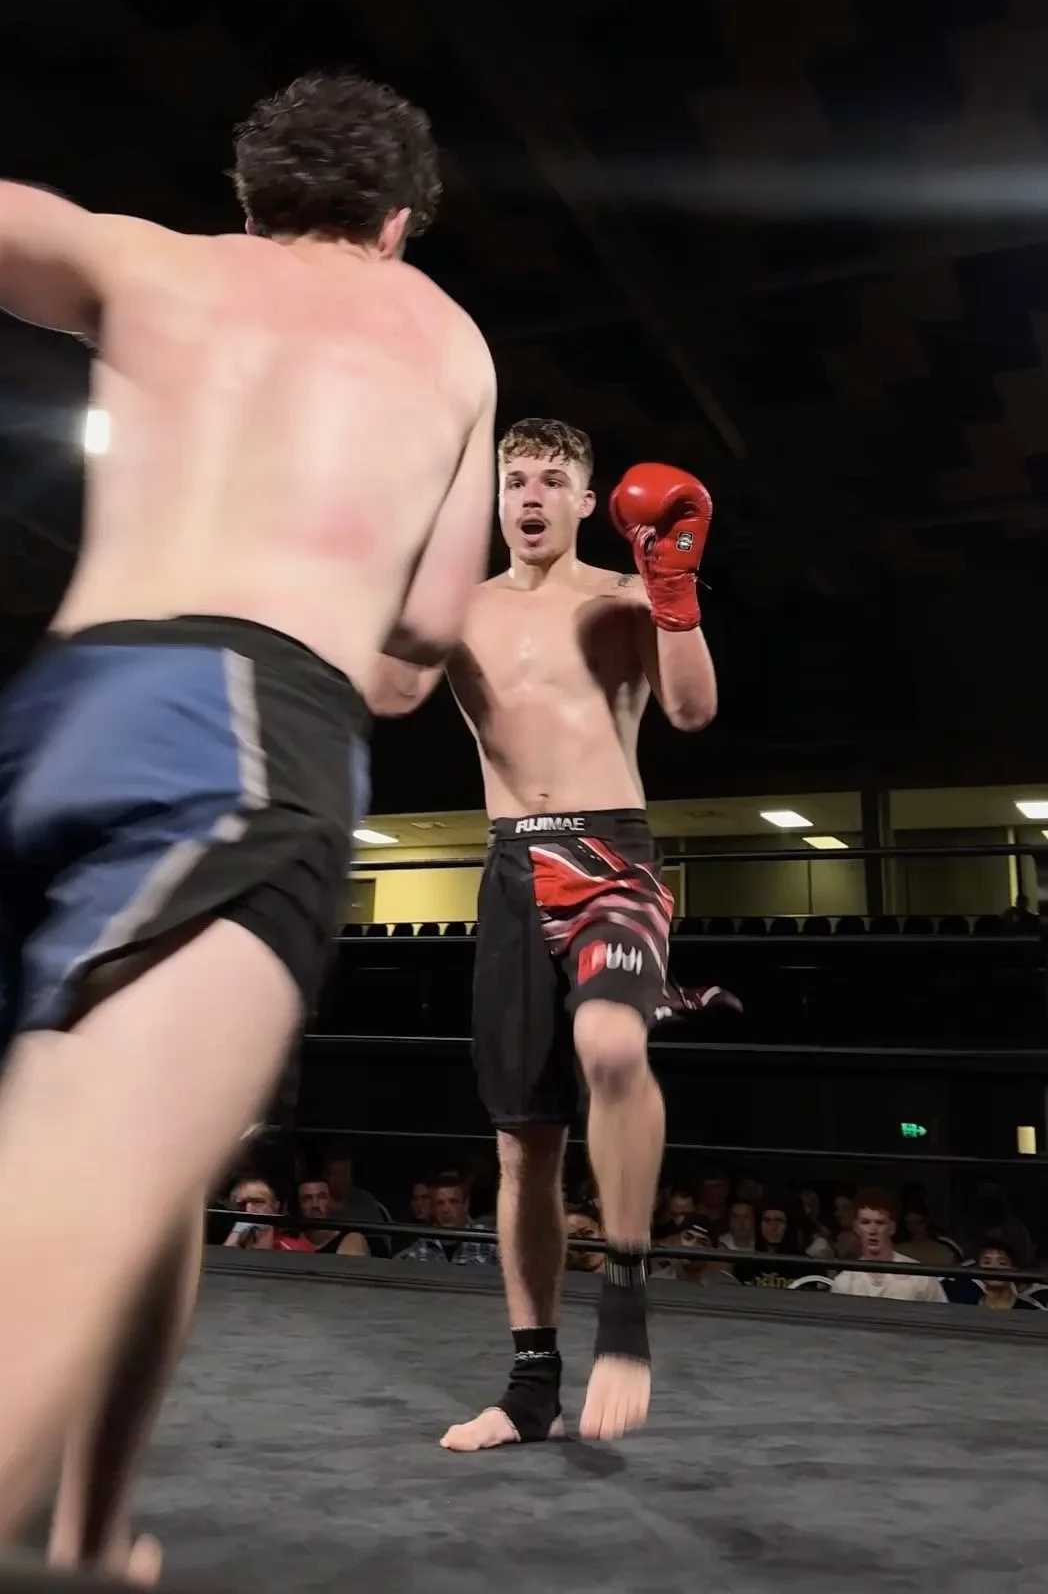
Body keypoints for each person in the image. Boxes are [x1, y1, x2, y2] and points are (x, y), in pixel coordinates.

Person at [0, 69, 496, 1571]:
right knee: (81, 1182)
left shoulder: (149, 259)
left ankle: (93, 1533)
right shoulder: (445, 337)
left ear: (252, 199)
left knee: (142, 1179)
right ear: (396, 222)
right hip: (236, 734)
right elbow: (421, 643)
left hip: (43, 726)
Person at [371, 415, 734, 1446]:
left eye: (549, 479)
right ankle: (532, 1386)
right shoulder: (462, 605)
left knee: (611, 1043)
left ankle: (625, 1307)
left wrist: (674, 594)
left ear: (585, 499)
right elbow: (390, 694)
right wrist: (397, 579)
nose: (528, 495)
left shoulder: (625, 594)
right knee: (524, 1142)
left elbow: (693, 711)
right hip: (507, 867)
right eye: (514, 479)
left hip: (609, 854)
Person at [830, 1190, 946, 1303]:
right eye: (865, 1222)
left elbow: (943, 1313)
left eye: (880, 1222)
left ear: (892, 1228)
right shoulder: (844, 1283)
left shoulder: (919, 1278)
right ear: (856, 1227)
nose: (873, 1230)